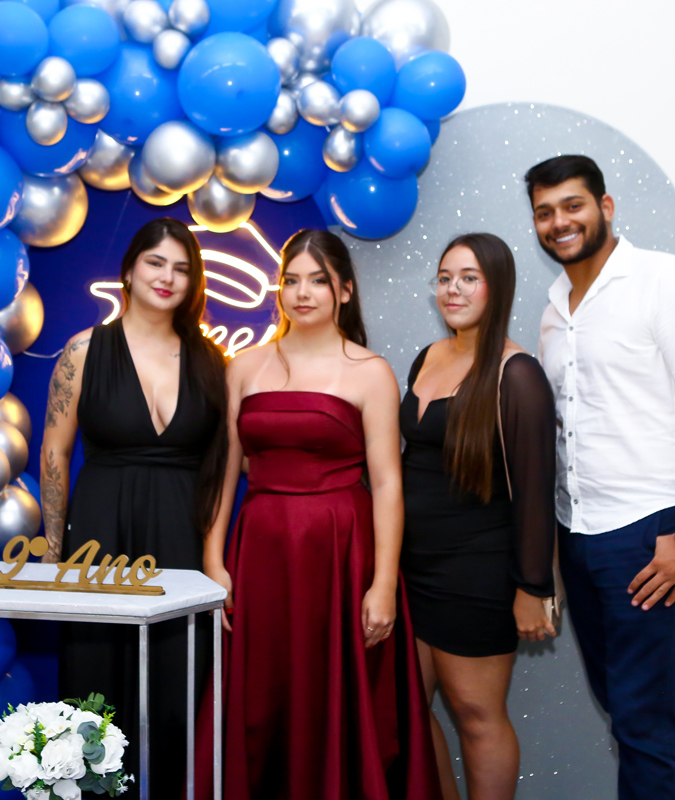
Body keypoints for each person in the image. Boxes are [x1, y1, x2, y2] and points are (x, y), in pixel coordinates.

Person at [198, 229, 440, 799]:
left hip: (341, 554)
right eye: (291, 281)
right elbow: (225, 471)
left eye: (318, 281)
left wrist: (383, 583)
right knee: (262, 694)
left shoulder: (370, 371)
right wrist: (213, 558)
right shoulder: (245, 367)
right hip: (260, 552)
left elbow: (388, 483)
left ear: (345, 291)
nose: (302, 293)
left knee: (333, 692)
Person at [527, 154, 675, 800]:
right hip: (579, 534)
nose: (559, 222)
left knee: (644, 720)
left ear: (606, 207)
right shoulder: (554, 310)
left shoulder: (664, 282)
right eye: (544, 212)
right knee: (622, 706)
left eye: (572, 205)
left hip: (652, 534)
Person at [39, 217, 228, 799]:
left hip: (181, 539)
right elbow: (54, 452)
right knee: (94, 689)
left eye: (181, 268)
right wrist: (53, 550)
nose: (167, 277)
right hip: (99, 538)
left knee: (178, 690)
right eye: (155, 262)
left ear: (193, 281)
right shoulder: (83, 351)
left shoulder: (211, 360)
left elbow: (222, 466)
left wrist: (215, 559)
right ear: (128, 269)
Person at [401, 233, 557, 800]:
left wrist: (532, 588)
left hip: (477, 575)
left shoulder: (518, 373)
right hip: (411, 570)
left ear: (498, 287)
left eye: (469, 278)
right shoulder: (428, 356)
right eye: (445, 278)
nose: (453, 290)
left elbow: (536, 489)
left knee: (475, 713)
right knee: (408, 709)